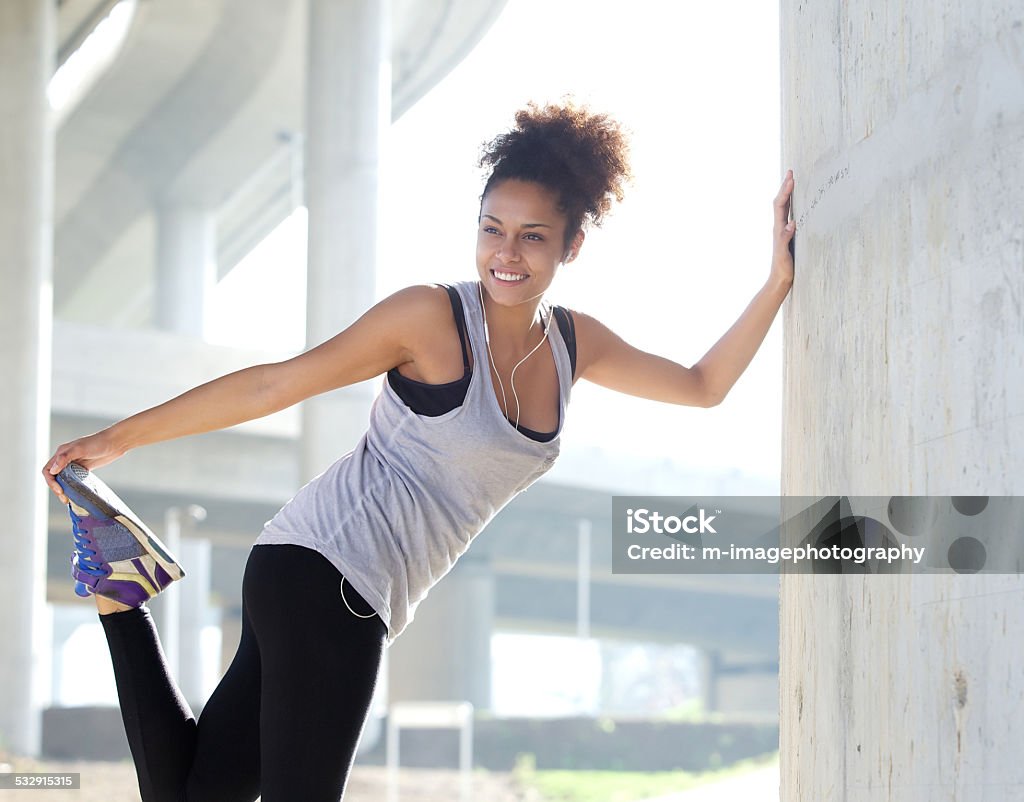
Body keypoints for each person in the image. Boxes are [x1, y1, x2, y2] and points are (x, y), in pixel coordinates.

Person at [42, 101, 797, 802]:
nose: (507, 253)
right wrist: (115, 439)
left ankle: (117, 591)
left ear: (572, 243)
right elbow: (275, 386)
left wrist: (775, 283)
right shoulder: (429, 318)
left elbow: (702, 386)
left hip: (328, 578)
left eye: (532, 235)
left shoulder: (575, 344)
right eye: (491, 227)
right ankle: (118, 593)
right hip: (329, 575)